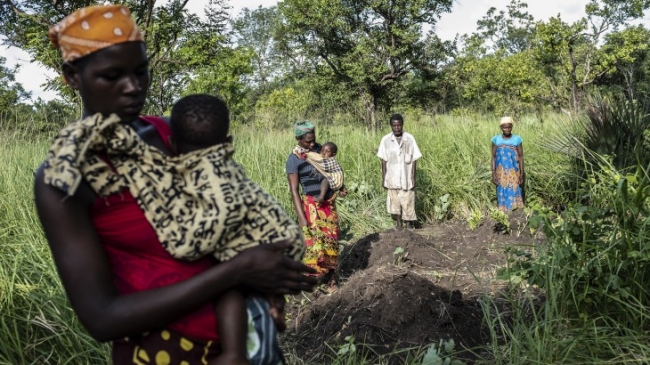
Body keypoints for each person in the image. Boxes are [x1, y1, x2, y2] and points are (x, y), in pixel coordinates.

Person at [34, 5, 316, 364]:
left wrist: (268, 286)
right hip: (164, 352)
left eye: (140, 72)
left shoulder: (176, 134)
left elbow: (234, 207)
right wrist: (238, 271)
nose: (133, 88)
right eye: (112, 75)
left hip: (250, 337)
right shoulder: (65, 177)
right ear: (73, 76)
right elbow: (102, 318)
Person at [286, 121, 341, 292]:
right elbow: (294, 191)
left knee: (331, 240)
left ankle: (332, 279)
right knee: (314, 244)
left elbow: (333, 170)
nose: (311, 144)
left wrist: (340, 186)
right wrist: (302, 217)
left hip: (327, 203)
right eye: (307, 142)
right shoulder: (294, 159)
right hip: (310, 205)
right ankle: (314, 284)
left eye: (313, 140)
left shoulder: (321, 150)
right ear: (298, 139)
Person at [377, 113, 422, 230]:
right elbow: (383, 160)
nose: (397, 128)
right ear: (391, 126)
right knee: (394, 201)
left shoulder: (409, 139)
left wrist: (413, 178)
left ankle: (409, 224)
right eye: (394, 125)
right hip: (392, 176)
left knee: (408, 200)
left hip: (406, 177)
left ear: (402, 125)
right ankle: (398, 224)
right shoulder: (386, 140)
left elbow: (414, 160)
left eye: (399, 125)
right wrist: (384, 178)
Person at [491, 116, 525, 212]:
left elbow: (521, 156)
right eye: (505, 127)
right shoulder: (495, 140)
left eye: (509, 127)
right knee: (501, 191)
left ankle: (516, 213)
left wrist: (522, 173)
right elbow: (493, 157)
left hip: (514, 172)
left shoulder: (517, 139)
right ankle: (503, 213)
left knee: (515, 190)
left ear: (512, 127)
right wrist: (493, 173)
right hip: (500, 173)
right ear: (501, 127)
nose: (507, 129)